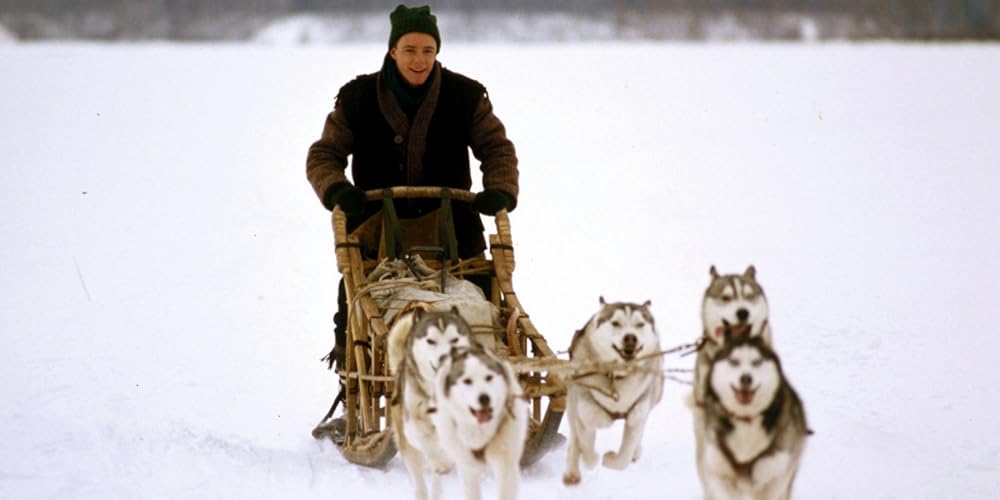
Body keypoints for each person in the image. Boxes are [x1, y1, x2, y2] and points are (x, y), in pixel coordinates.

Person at [306, 4, 519, 374]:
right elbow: (324, 154)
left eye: (428, 51)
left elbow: (497, 148)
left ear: (437, 52)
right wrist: (337, 190)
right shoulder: (357, 97)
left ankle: (485, 379)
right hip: (376, 228)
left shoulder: (465, 96)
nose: (419, 60)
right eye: (409, 50)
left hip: (455, 227)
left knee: (483, 304)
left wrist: (499, 189)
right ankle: (355, 382)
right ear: (392, 51)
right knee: (356, 305)